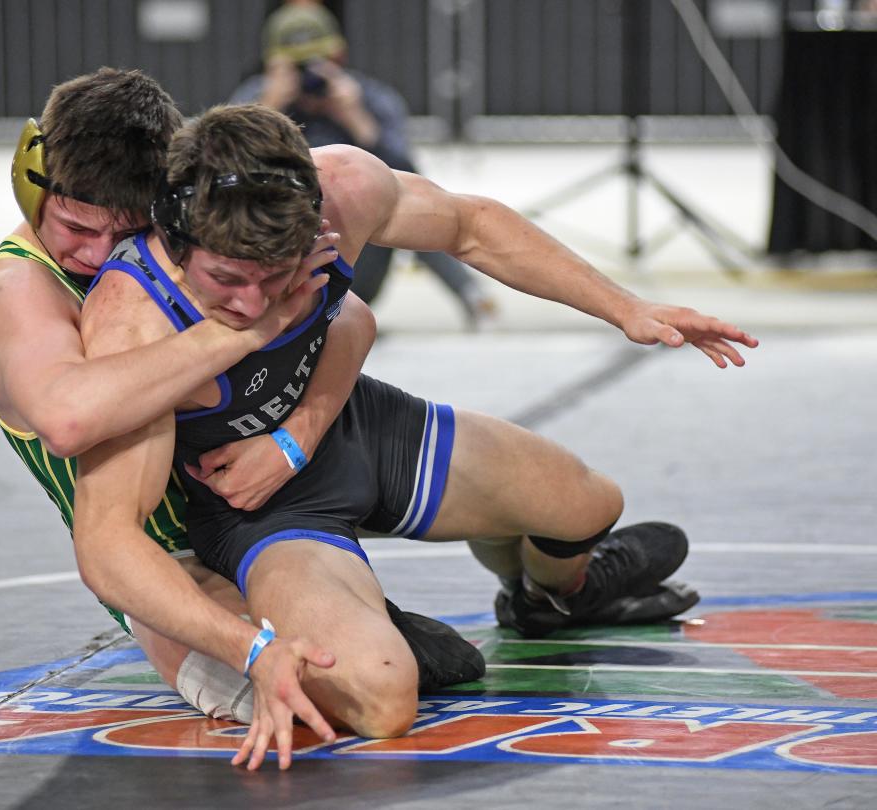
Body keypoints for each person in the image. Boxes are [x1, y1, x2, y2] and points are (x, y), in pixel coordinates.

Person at [73, 102, 757, 769]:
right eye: (225, 280)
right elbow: (105, 545)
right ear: (177, 234)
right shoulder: (134, 317)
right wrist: (247, 648)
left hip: (349, 424)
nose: (251, 301)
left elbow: (473, 226)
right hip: (264, 508)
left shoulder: (341, 186)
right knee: (382, 698)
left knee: (587, 505)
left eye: (276, 277)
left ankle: (549, 597)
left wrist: (627, 308)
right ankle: (377, 625)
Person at [0, 68, 479, 746]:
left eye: (123, 230)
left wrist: (296, 428)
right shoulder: (20, 289)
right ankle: (359, 624)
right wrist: (246, 329)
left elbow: (351, 315)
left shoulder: (175, 249)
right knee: (341, 703)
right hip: (161, 563)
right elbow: (67, 418)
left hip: (263, 502)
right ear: (28, 177)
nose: (95, 255)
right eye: (74, 226)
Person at [230, 0, 497, 328]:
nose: (308, 77)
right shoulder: (253, 101)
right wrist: (268, 111)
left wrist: (358, 122)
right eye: (297, 66)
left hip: (354, 261)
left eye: (316, 63)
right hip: (274, 256)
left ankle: (470, 294)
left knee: (404, 196)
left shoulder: (369, 98)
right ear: (273, 63)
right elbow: (213, 173)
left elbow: (407, 176)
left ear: (338, 56)